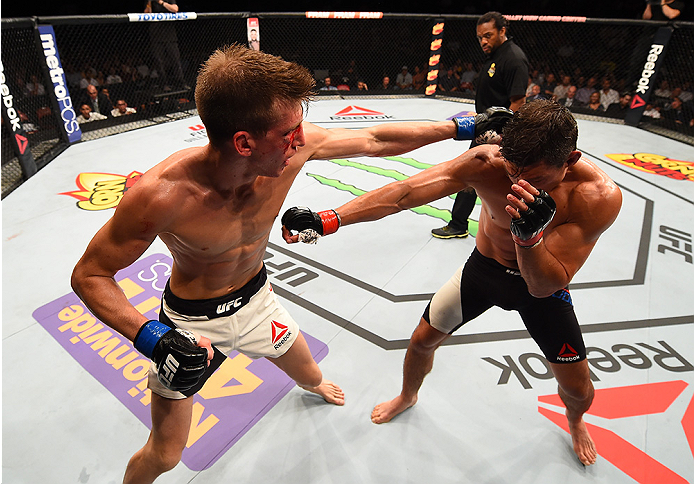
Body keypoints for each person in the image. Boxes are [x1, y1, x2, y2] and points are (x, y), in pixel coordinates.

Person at [70, 44, 466, 484]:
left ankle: (311, 384)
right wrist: (151, 337)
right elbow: (90, 274)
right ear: (243, 142)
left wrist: (457, 127)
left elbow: (376, 139)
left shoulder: (294, 147)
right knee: (165, 455)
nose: (302, 139)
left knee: (313, 375)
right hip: (191, 326)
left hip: (259, 301)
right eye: (289, 133)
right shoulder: (161, 195)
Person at [281, 100, 622, 467]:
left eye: (535, 178)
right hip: (483, 271)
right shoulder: (487, 162)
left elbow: (542, 286)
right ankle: (407, 396)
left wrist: (528, 238)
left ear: (569, 160)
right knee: (421, 341)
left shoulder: (596, 197)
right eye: (511, 170)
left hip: (541, 286)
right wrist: (329, 219)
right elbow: (406, 193)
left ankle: (575, 420)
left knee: (577, 388)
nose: (519, 184)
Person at [432, 11, 528, 239]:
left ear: (502, 31)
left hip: (498, 132)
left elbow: (519, 102)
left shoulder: (513, 58)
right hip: (486, 127)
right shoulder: (496, 55)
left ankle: (460, 224)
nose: (483, 41)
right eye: (480, 37)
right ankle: (462, 223)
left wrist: (501, 134)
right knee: (481, 176)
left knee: (474, 175)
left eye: (488, 35)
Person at [145, 0, 188, 91]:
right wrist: (149, 3)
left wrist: (161, 2)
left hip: (169, 35)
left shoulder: (167, 0)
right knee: (159, 62)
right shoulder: (151, 1)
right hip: (156, 36)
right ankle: (164, 85)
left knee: (175, 60)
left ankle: (181, 83)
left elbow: (175, 9)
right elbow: (147, 14)